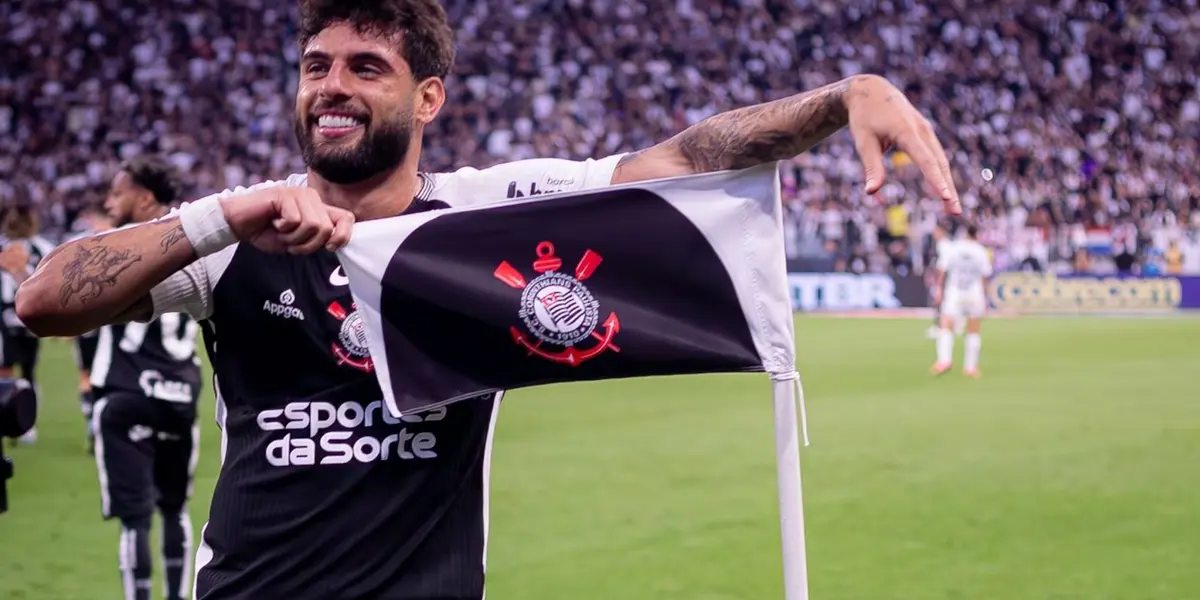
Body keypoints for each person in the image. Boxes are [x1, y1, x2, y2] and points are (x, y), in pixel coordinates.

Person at [17, 2, 962, 598]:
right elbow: (44, 300)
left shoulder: (480, 220)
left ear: (428, 99)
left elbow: (683, 160)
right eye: (317, 66)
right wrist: (226, 215)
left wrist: (846, 96)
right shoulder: (236, 237)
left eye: (365, 68)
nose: (331, 89)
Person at [90, 155, 203, 600]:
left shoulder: (116, 245)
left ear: (144, 199)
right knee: (175, 510)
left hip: (127, 393)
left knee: (135, 517)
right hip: (180, 394)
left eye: (117, 193)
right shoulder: (195, 241)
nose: (108, 201)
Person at [0, 205, 56, 445]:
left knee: (19, 369)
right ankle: (15, 419)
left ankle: (22, 420)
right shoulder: (37, 246)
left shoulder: (41, 247)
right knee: (16, 369)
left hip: (21, 312)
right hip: (14, 312)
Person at [66, 205, 116, 453]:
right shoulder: (118, 243)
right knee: (94, 374)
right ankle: (94, 421)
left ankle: (92, 420)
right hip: (101, 324)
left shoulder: (81, 246)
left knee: (89, 375)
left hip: (95, 323)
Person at [930, 224, 993, 378]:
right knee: (973, 329)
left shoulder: (953, 248)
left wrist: (938, 289)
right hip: (974, 292)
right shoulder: (981, 251)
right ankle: (970, 368)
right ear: (976, 235)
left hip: (955, 292)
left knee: (946, 324)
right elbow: (985, 276)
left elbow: (942, 270)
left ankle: (944, 360)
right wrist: (985, 296)